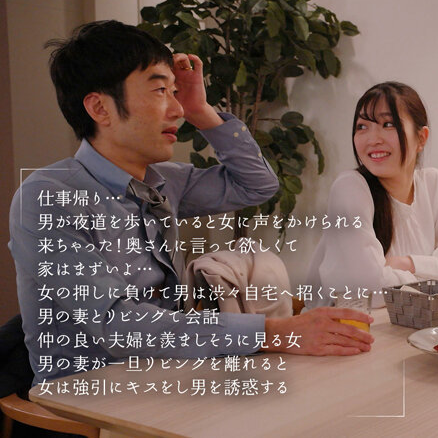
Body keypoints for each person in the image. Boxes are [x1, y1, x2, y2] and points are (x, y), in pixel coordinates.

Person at [9, 21, 372, 385]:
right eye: (159, 90)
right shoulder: (48, 197)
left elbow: (258, 185)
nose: (176, 110)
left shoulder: (164, 180)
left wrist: (201, 110)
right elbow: (118, 325)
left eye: (175, 92)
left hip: (173, 372)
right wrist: (275, 332)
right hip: (87, 390)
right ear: (100, 108)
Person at [305, 82, 438, 308]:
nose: (373, 139)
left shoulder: (433, 183)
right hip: (348, 327)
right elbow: (365, 289)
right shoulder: (350, 187)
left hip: (415, 321)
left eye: (388, 124)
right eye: (362, 127)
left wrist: (406, 263)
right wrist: (435, 275)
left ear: (421, 138)